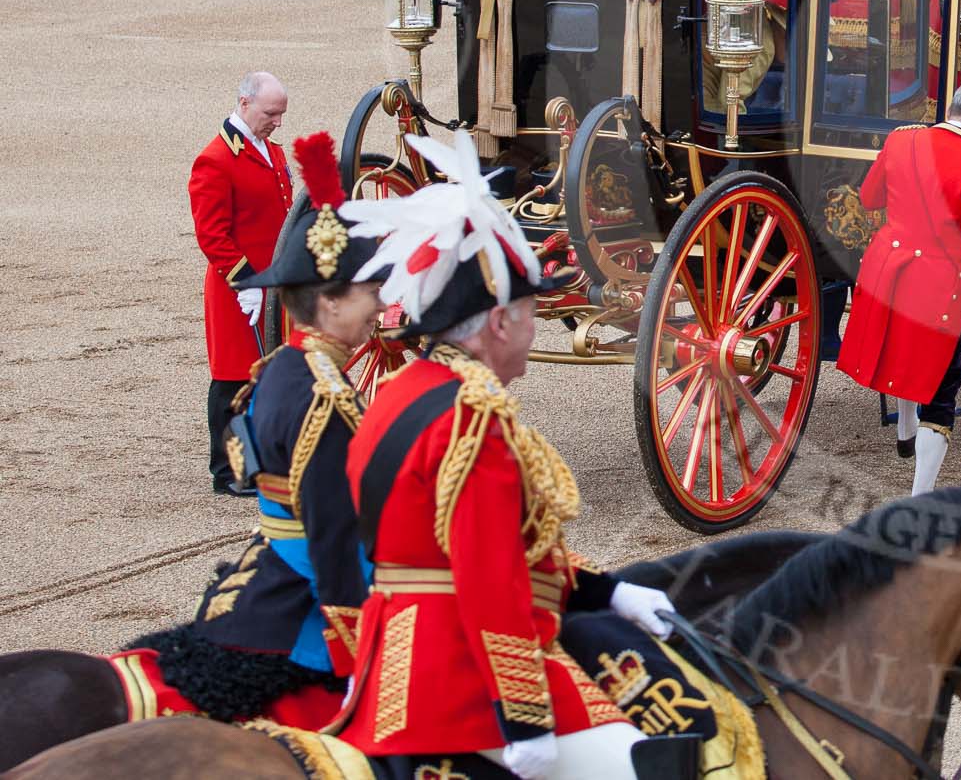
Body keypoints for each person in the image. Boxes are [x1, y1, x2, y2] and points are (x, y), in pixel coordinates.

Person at [331, 132, 682, 779]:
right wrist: (523, 715)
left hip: (389, 664)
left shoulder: (397, 393)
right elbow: (490, 574)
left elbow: (491, 548)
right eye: (529, 312)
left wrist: (609, 592)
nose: (532, 326)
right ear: (497, 323)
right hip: (457, 679)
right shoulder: (475, 418)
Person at [130, 132, 388, 729]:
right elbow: (331, 536)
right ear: (328, 303)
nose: (379, 306)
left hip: (258, 569)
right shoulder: (325, 394)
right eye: (369, 292)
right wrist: (358, 641)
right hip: (304, 596)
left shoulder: (277, 369)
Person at [836, 84, 961, 496]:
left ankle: (906, 430)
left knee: (902, 355)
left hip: (885, 268)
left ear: (950, 109)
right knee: (942, 382)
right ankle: (921, 495)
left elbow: (869, 196)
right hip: (935, 283)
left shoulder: (901, 140)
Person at [187, 72, 295, 494]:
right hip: (239, 290)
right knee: (234, 380)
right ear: (245, 103)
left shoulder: (272, 152)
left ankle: (259, 462)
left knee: (267, 378)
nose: (278, 122)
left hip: (274, 287)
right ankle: (227, 471)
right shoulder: (215, 159)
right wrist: (246, 281)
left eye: (281, 114)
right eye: (271, 113)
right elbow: (212, 234)